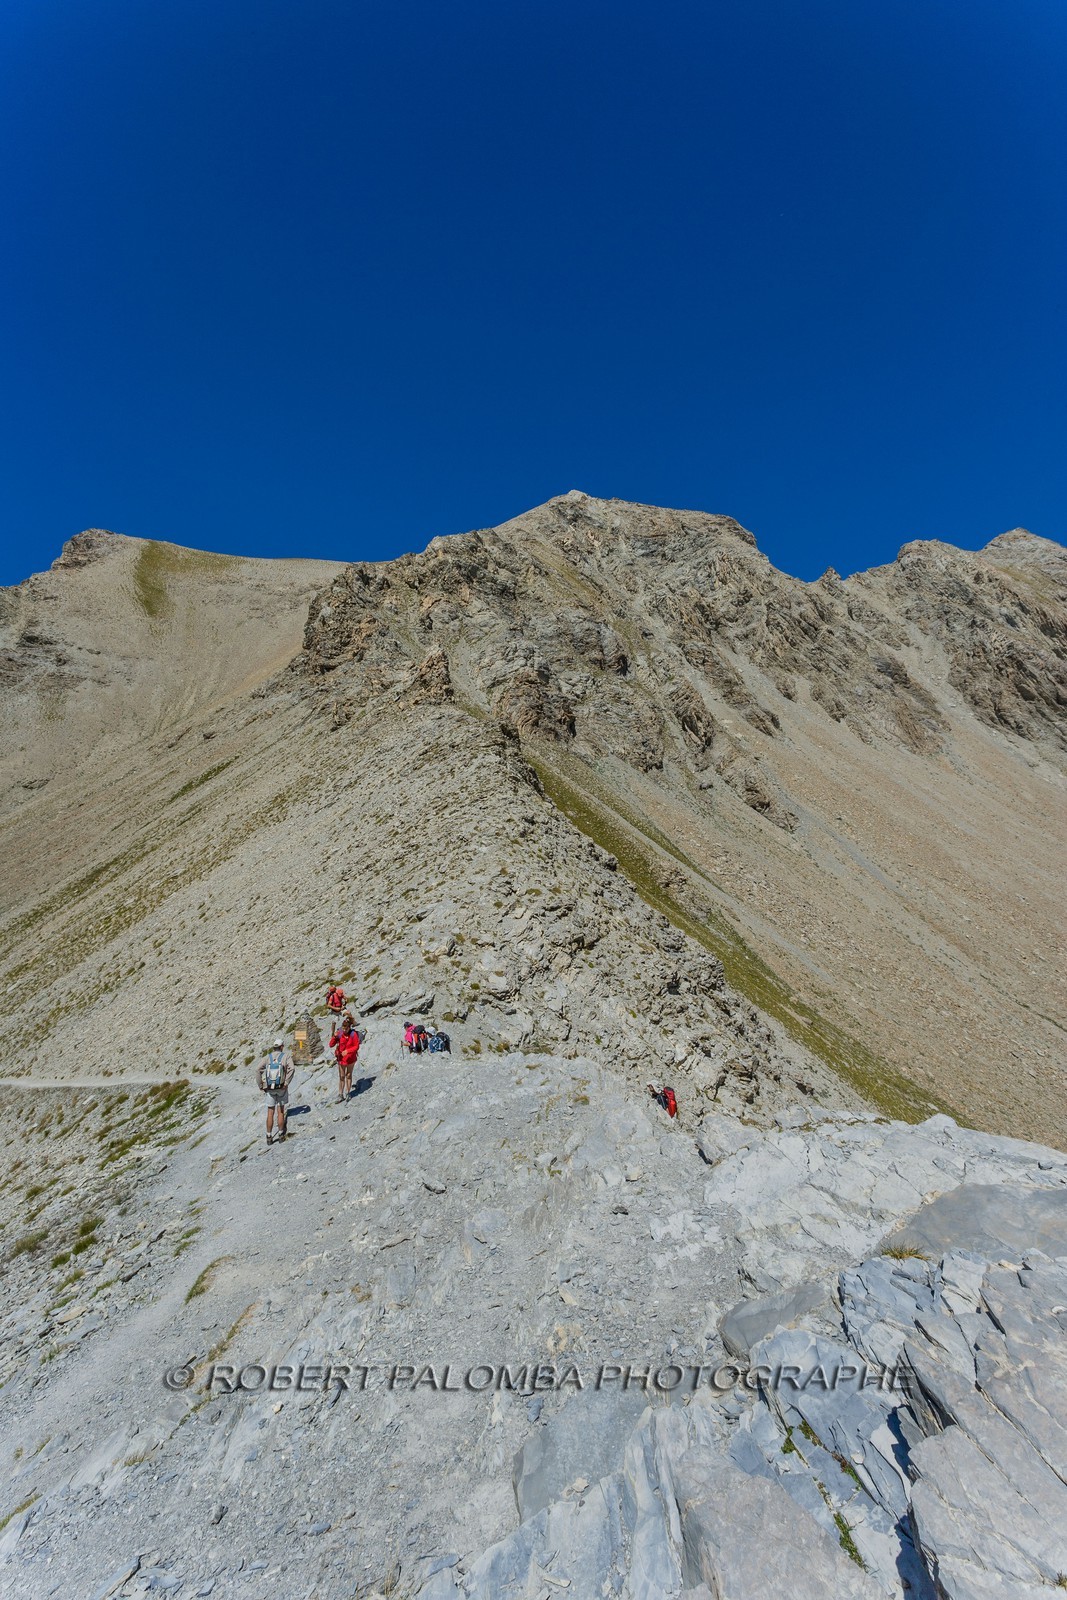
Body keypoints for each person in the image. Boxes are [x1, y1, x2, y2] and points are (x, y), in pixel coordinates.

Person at [257, 1037, 294, 1144]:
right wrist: (286, 1082)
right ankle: (281, 1134)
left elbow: (257, 1070)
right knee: (281, 1111)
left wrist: (260, 1085)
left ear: (274, 1047)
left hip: (270, 1089)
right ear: (282, 1047)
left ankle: (269, 1136)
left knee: (270, 1112)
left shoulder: (267, 1057)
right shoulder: (286, 1056)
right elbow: (292, 1068)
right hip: (281, 1087)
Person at [330, 1015, 361, 1102]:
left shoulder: (353, 1034)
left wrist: (348, 1051)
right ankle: (340, 1094)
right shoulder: (339, 1033)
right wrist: (334, 1037)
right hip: (341, 1059)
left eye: (346, 1029)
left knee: (348, 1075)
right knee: (342, 1076)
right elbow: (331, 1045)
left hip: (351, 1059)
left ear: (349, 1027)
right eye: (343, 1028)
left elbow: (356, 1046)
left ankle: (348, 1093)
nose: (344, 1030)